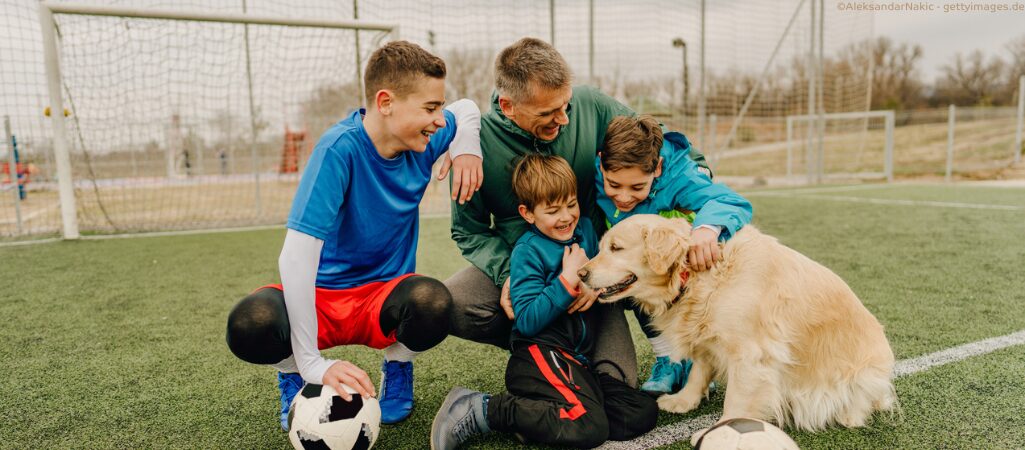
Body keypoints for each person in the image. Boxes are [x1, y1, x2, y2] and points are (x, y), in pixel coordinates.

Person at [224, 40, 485, 431]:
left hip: (382, 297)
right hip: (321, 299)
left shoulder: (423, 140)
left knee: (432, 301)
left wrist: (467, 146)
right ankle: (293, 375)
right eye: (430, 109)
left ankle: (397, 367)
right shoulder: (338, 150)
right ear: (385, 103)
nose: (438, 119)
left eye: (437, 108)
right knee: (250, 322)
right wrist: (312, 361)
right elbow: (295, 257)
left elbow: (465, 108)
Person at [445, 37, 711, 389]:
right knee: (450, 303)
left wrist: (698, 174)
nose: (564, 118)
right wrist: (511, 274)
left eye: (566, 104)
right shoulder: (476, 148)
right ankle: (542, 345)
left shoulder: (592, 105)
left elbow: (657, 145)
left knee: (618, 387)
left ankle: (669, 353)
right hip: (529, 271)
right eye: (547, 113)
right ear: (508, 106)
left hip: (598, 267)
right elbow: (469, 232)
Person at [431, 154, 658, 449]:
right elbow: (525, 320)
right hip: (541, 354)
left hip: (578, 361)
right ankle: (480, 408)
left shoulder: (586, 230)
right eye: (552, 210)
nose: (565, 217)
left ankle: (542, 421)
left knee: (640, 413)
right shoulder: (528, 250)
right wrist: (566, 281)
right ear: (528, 213)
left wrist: (592, 283)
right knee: (589, 427)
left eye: (571, 205)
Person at [595, 115, 753, 394]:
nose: (623, 197)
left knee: (664, 280)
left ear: (657, 168)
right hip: (628, 256)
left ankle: (694, 358)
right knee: (630, 280)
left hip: (670, 261)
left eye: (637, 187)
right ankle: (668, 357)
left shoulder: (679, 174)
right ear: (600, 163)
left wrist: (706, 229)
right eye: (614, 185)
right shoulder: (596, 174)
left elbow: (729, 201)